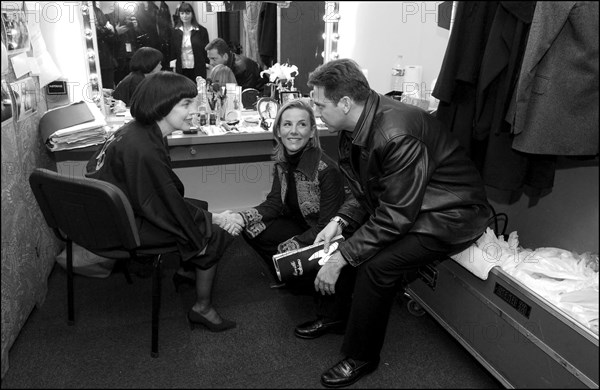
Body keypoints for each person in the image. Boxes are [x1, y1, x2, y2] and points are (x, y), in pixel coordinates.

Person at [299, 59, 493, 388]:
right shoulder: (356, 125)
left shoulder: (396, 133)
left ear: (345, 103)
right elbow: (370, 190)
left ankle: (362, 356)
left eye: (319, 104)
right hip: (413, 206)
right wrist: (341, 220)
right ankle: (335, 317)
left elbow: (394, 216)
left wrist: (342, 257)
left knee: (376, 266)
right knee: (346, 243)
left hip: (451, 215)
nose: (317, 112)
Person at [86, 71, 242, 332]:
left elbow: (160, 194)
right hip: (124, 226)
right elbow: (164, 203)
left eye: (194, 101)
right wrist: (218, 219)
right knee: (214, 233)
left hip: (113, 213)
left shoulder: (133, 130)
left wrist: (205, 214)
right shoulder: (144, 148)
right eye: (186, 104)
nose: (196, 109)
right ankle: (202, 308)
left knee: (199, 208)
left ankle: (186, 271)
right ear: (160, 104)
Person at [231, 99, 346, 286]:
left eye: (302, 124)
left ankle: (296, 273)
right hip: (294, 221)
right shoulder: (282, 162)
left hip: (319, 233)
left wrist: (290, 247)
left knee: (286, 254)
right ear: (278, 131)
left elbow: (327, 227)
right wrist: (241, 217)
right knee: (250, 227)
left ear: (311, 132)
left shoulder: (327, 170)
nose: (293, 131)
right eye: (287, 124)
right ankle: (285, 273)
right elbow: (274, 202)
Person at [170, 2, 210, 82]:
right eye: (182, 13)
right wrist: (172, 65)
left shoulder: (201, 31)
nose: (185, 16)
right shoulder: (175, 31)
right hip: (181, 68)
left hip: (198, 67)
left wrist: (207, 63)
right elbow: (172, 50)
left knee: (198, 90)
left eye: (187, 13)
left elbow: (205, 49)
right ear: (179, 15)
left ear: (192, 14)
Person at [92, 1, 117, 89]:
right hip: (94, 56)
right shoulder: (84, 11)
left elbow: (111, 32)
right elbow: (94, 31)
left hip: (105, 57)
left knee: (108, 88)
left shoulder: (98, 11)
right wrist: (105, 30)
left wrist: (107, 30)